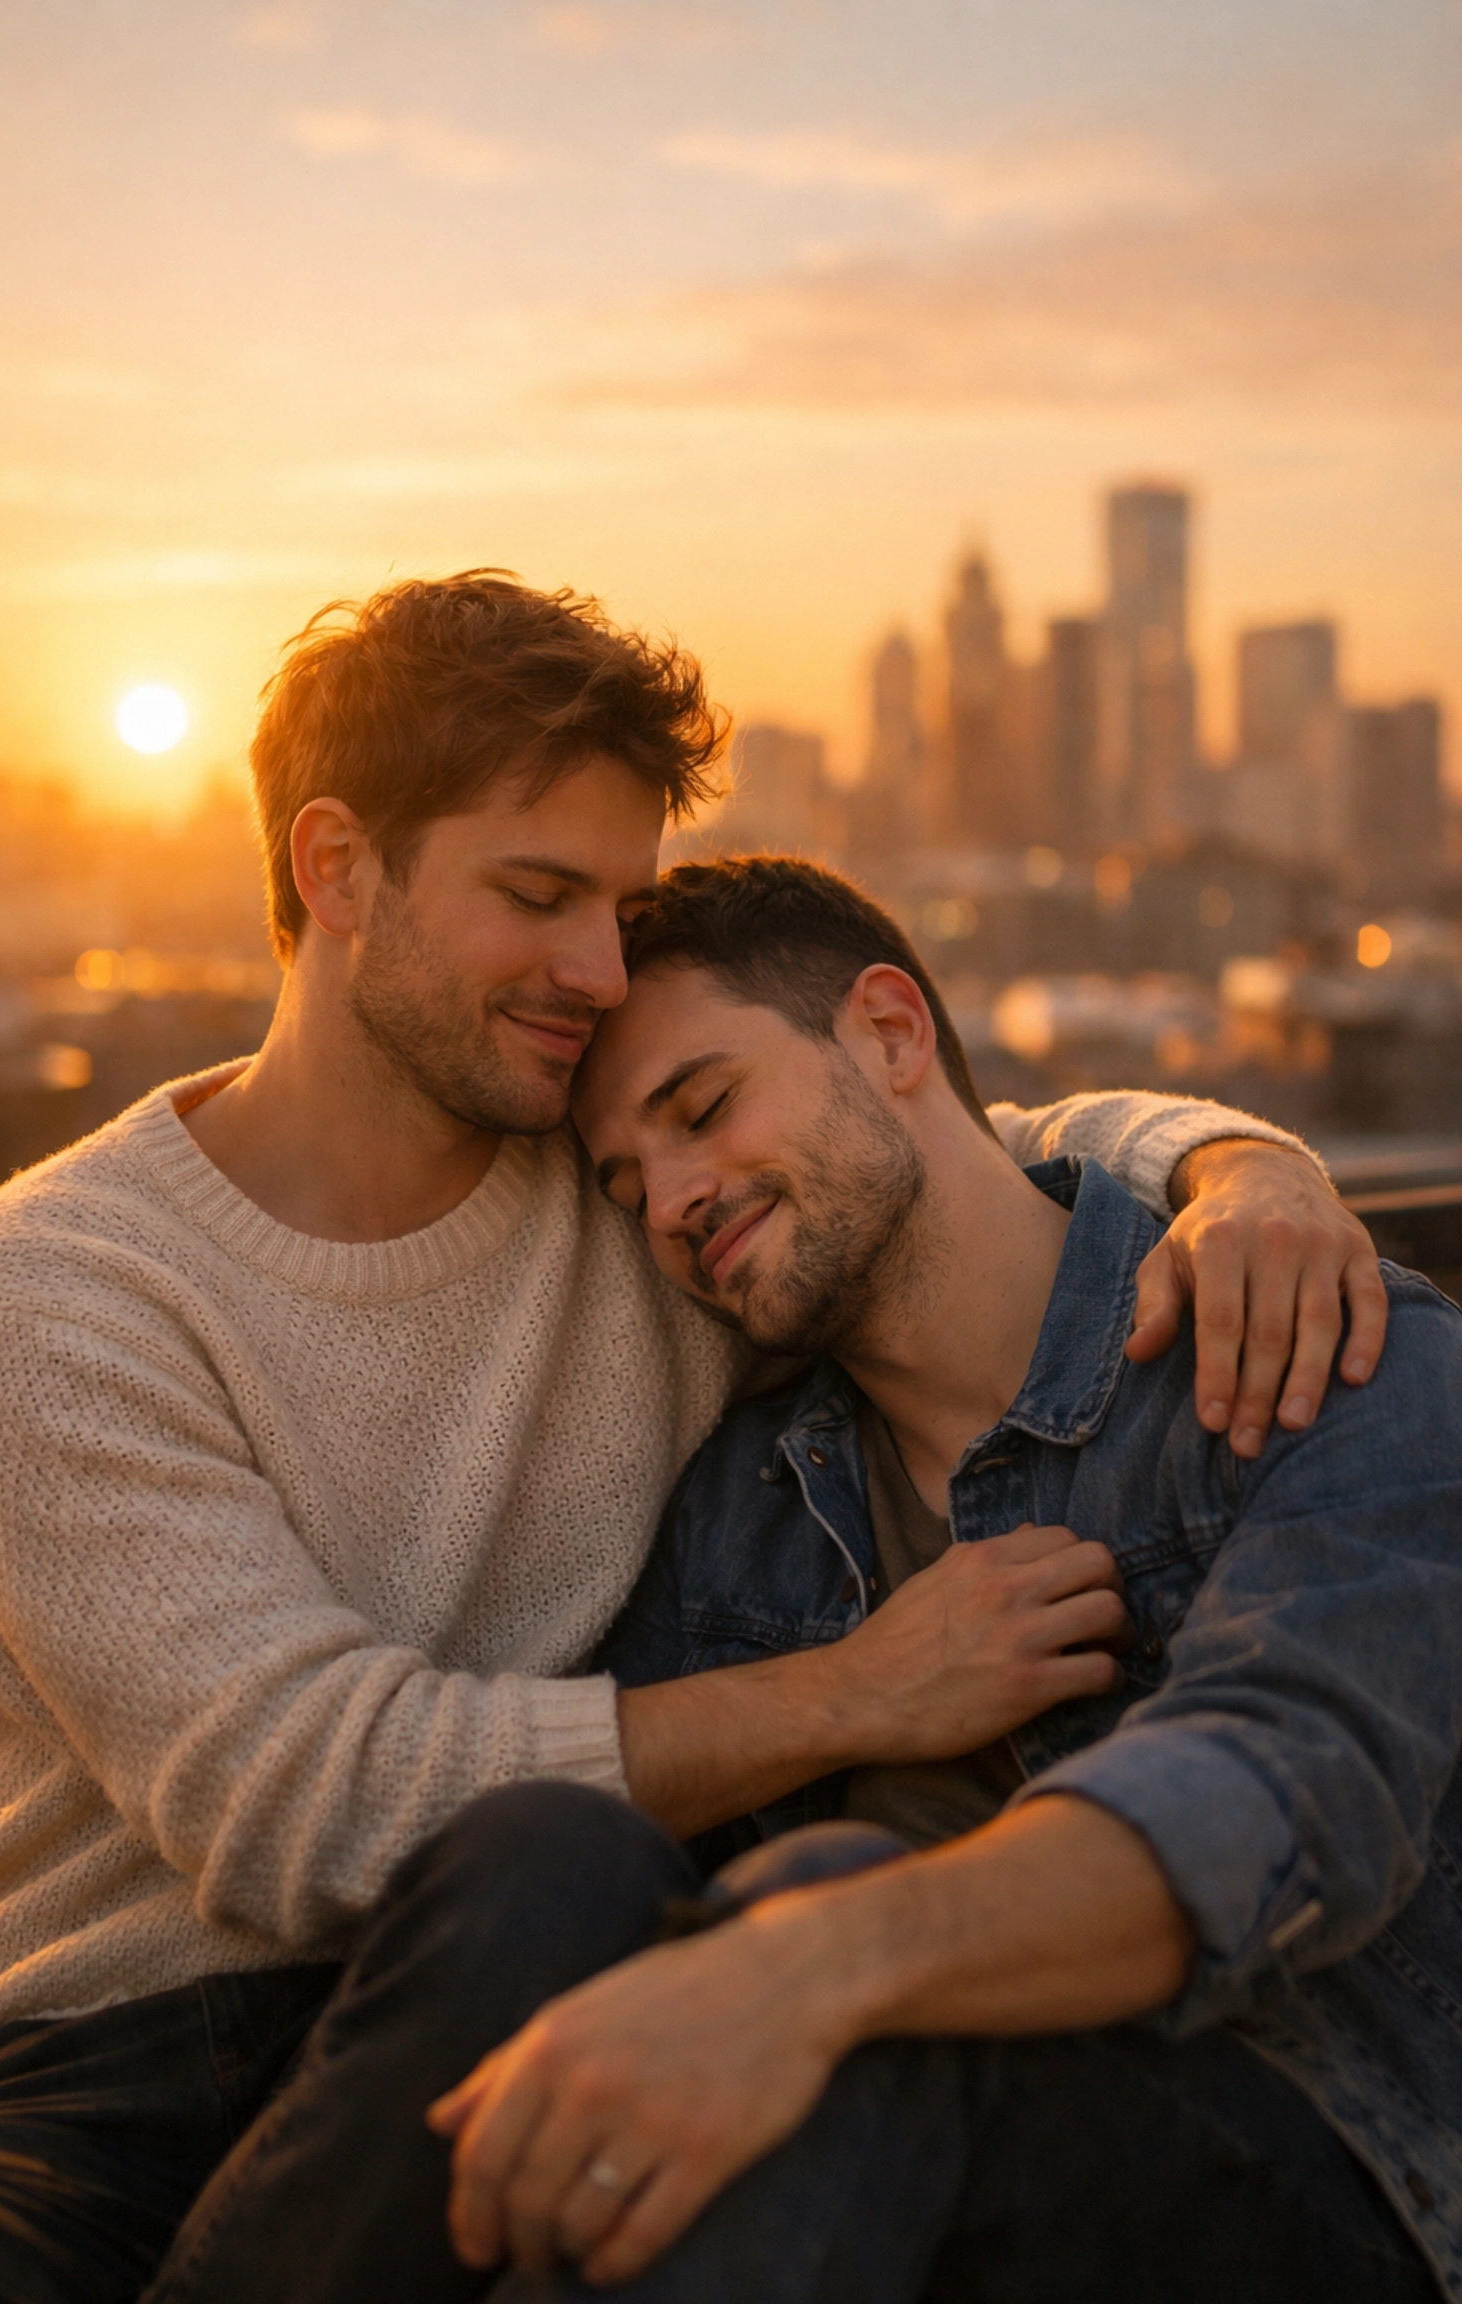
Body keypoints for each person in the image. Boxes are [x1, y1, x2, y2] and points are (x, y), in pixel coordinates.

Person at [0, 579, 1383, 2304]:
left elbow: (937, 1150)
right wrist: (854, 1696)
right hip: (93, 2081)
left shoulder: (635, 1195)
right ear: (335, 871)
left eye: (621, 906)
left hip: (533, 1992)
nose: (601, 972)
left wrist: (1245, 1165)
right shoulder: (45, 1300)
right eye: (539, 896)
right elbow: (312, 1804)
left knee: (562, 1876)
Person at [405, 854, 1462, 2304]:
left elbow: (1284, 1787)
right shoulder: (740, 1519)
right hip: (882, 2223)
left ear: (894, 1035)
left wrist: (813, 1963)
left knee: (833, 1938)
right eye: (626, 1185)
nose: (672, 1204)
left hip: (1344, 2181)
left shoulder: (1312, 1347)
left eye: (703, 1109)